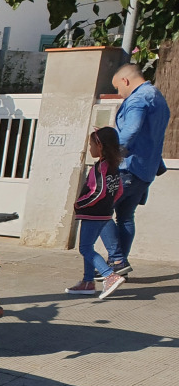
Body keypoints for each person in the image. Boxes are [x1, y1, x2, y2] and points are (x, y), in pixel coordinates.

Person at [102, 62, 171, 275]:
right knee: (125, 216)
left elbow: (131, 131)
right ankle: (118, 265)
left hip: (127, 167)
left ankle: (116, 261)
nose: (119, 93)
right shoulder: (158, 98)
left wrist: (110, 154)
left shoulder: (138, 99)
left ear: (125, 80)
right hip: (146, 170)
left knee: (98, 212)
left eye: (117, 88)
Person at [66, 127, 126, 299]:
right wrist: (109, 205)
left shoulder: (100, 167)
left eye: (91, 144)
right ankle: (88, 282)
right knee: (89, 247)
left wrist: (79, 204)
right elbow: (119, 190)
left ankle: (109, 275)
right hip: (104, 213)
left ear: (100, 145)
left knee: (85, 248)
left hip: (93, 214)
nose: (90, 147)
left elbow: (97, 191)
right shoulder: (114, 165)